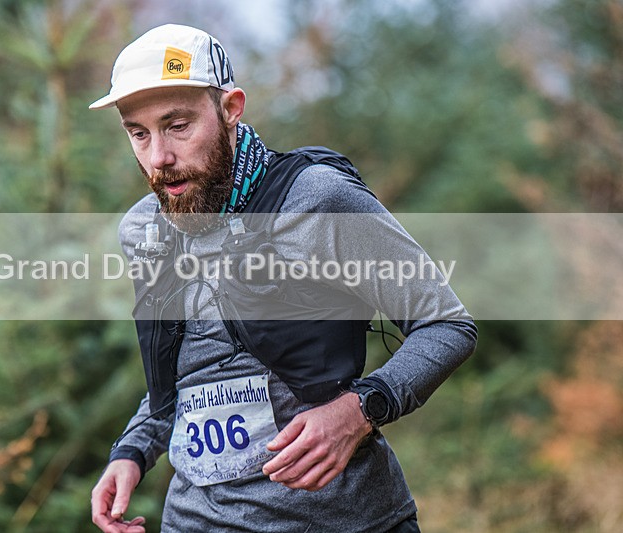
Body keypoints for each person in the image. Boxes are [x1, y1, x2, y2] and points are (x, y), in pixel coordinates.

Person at [88, 24, 477, 533]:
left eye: (177, 125)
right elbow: (184, 376)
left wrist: (358, 410)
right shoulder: (144, 230)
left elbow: (447, 325)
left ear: (230, 109)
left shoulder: (316, 200)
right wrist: (133, 451)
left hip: (346, 522)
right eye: (138, 133)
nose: (158, 157)